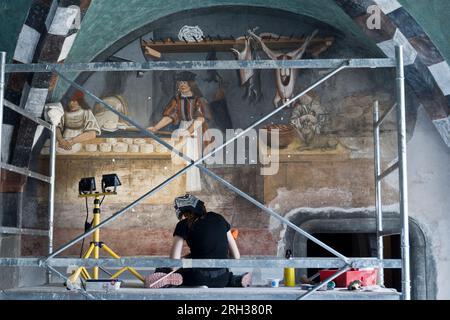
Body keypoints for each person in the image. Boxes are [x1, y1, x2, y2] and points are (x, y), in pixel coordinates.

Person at [145, 194, 252, 288]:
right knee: (222, 274)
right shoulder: (220, 218)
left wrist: (173, 266)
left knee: (165, 269)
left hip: (197, 277)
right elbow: (236, 256)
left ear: (184, 213)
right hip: (221, 279)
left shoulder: (183, 224)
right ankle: (234, 280)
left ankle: (172, 280)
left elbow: (173, 262)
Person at [148, 72, 209, 192]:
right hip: (182, 128)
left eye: (185, 82)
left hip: (195, 130)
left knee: (190, 157)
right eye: (180, 82)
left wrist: (188, 132)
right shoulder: (176, 99)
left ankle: (191, 187)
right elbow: (169, 116)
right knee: (178, 156)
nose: (182, 85)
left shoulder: (198, 100)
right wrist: (156, 128)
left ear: (191, 84)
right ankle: (179, 186)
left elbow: (200, 119)